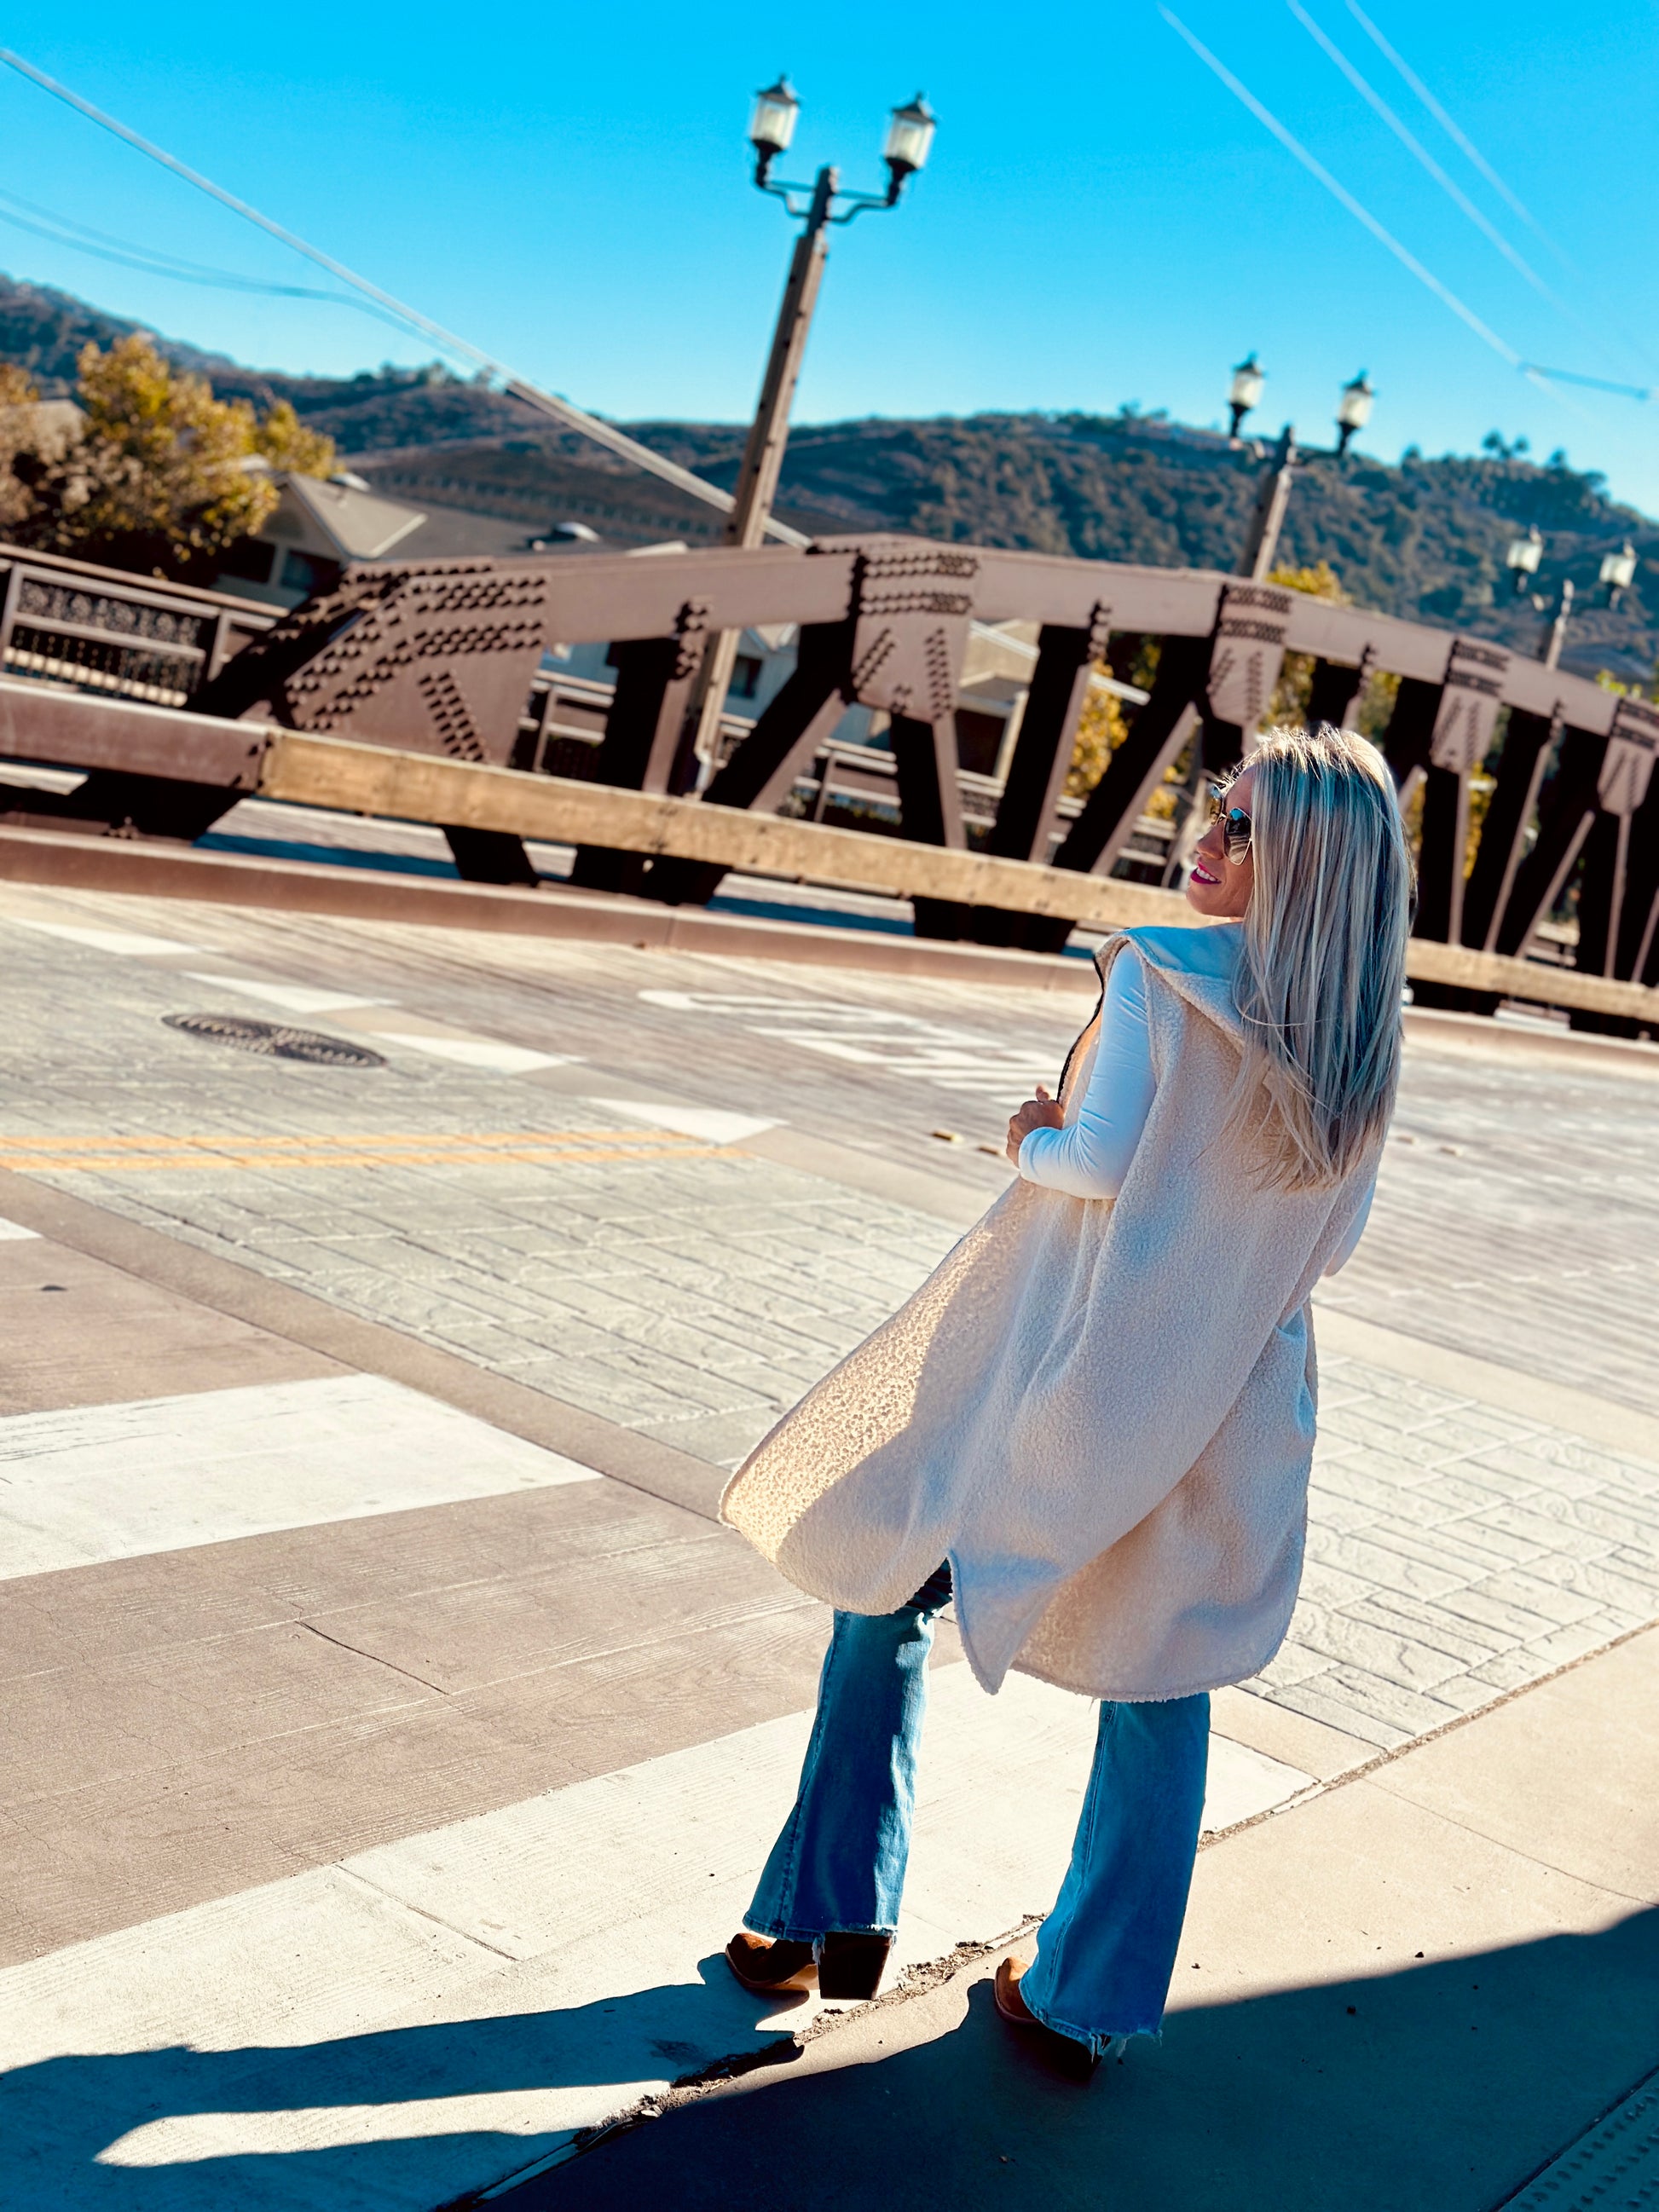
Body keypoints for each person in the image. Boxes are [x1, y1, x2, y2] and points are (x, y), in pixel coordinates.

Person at [719, 724, 1413, 2078]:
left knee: (892, 1567)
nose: (1207, 838)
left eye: (1244, 826)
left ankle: (822, 1914)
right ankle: (1085, 1997)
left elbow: (1096, 1165)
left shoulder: (1158, 971)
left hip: (1066, 1354)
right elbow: (1328, 1247)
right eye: (1216, 806)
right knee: (1164, 1682)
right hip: (1230, 1391)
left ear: (1309, 864)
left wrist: (1030, 1131)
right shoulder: (1359, 1039)